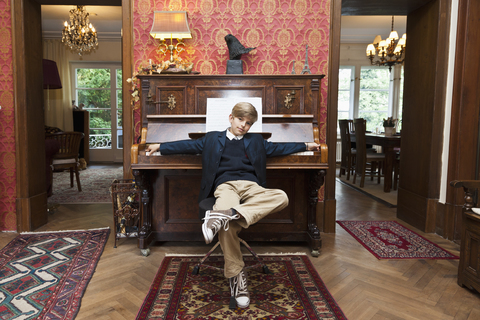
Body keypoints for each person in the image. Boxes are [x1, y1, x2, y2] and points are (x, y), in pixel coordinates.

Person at [146, 102, 320, 308]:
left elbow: (280, 148)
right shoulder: (212, 138)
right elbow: (187, 145)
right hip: (225, 187)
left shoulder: (257, 140)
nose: (244, 126)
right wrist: (160, 147)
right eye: (240, 120)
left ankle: (223, 215)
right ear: (231, 117)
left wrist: (307, 146)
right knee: (227, 226)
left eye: (248, 123)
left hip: (251, 187)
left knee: (282, 196)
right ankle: (237, 280)